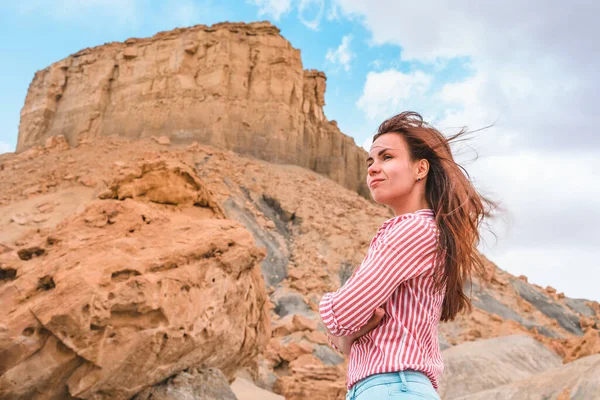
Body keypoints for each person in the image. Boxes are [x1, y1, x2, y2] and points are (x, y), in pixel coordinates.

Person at [319, 111, 495, 400]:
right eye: (370, 161)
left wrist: (332, 310)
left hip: (391, 387)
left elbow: (341, 314)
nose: (373, 168)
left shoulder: (412, 229)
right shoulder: (425, 231)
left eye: (387, 157)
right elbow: (347, 334)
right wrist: (349, 331)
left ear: (420, 169)